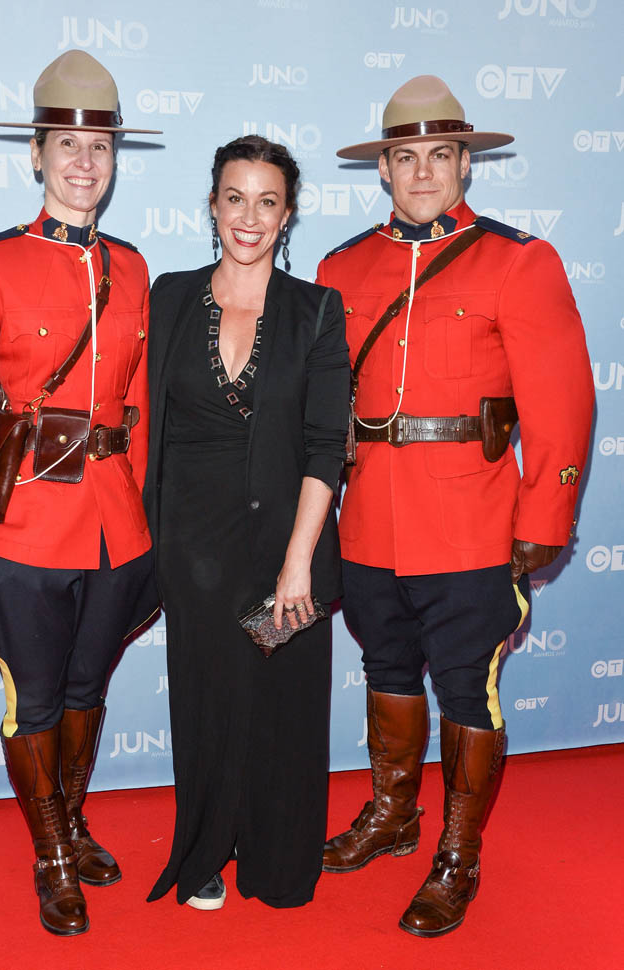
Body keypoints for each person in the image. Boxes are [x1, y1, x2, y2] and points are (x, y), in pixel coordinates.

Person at [316, 75, 594, 937]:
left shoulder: (517, 260)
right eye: (405, 158)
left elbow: (561, 402)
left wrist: (542, 521)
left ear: (465, 163)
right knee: (387, 672)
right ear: (383, 169)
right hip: (369, 520)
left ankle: (457, 853)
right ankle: (393, 814)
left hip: (473, 522)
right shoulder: (340, 268)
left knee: (468, 690)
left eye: (440, 155)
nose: (423, 173)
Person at [0, 50, 160, 936]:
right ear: (36, 154)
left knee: (86, 688)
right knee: (35, 698)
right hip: (23, 521)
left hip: (114, 523)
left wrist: (147, 517)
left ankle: (68, 818)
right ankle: (52, 855)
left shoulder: (132, 267)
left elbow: (140, 407)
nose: (83, 162)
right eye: (66, 144)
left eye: (99, 146)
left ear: (114, 159)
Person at [144, 135, 349, 911]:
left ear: (287, 214)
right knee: (207, 702)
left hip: (284, 543)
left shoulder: (316, 309)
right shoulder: (168, 296)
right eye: (235, 198)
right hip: (192, 546)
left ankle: (275, 859)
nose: (249, 217)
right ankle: (203, 850)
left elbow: (325, 446)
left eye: (267, 201)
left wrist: (298, 562)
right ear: (212, 205)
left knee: (281, 705)